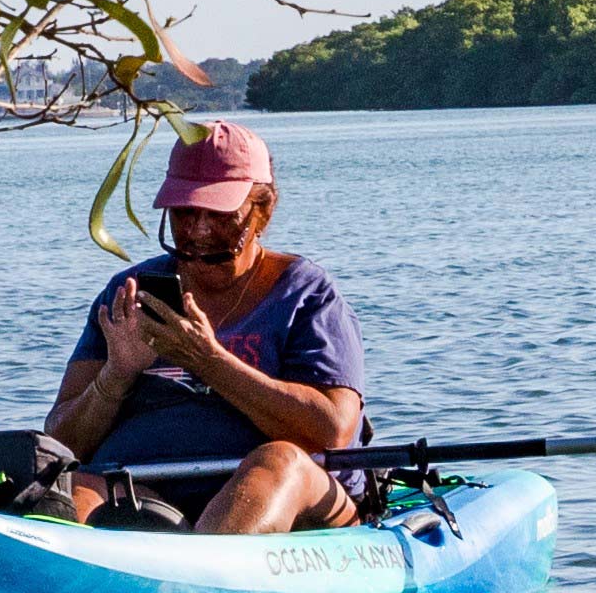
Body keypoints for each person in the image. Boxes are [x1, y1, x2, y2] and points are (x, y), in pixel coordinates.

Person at [38, 119, 364, 533]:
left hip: (291, 495)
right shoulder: (126, 294)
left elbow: (331, 430)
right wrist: (116, 375)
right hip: (147, 492)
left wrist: (209, 361)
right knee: (76, 488)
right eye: (185, 212)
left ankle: (205, 571)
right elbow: (63, 444)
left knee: (276, 462)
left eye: (219, 214)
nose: (199, 231)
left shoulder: (308, 295)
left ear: (262, 210)